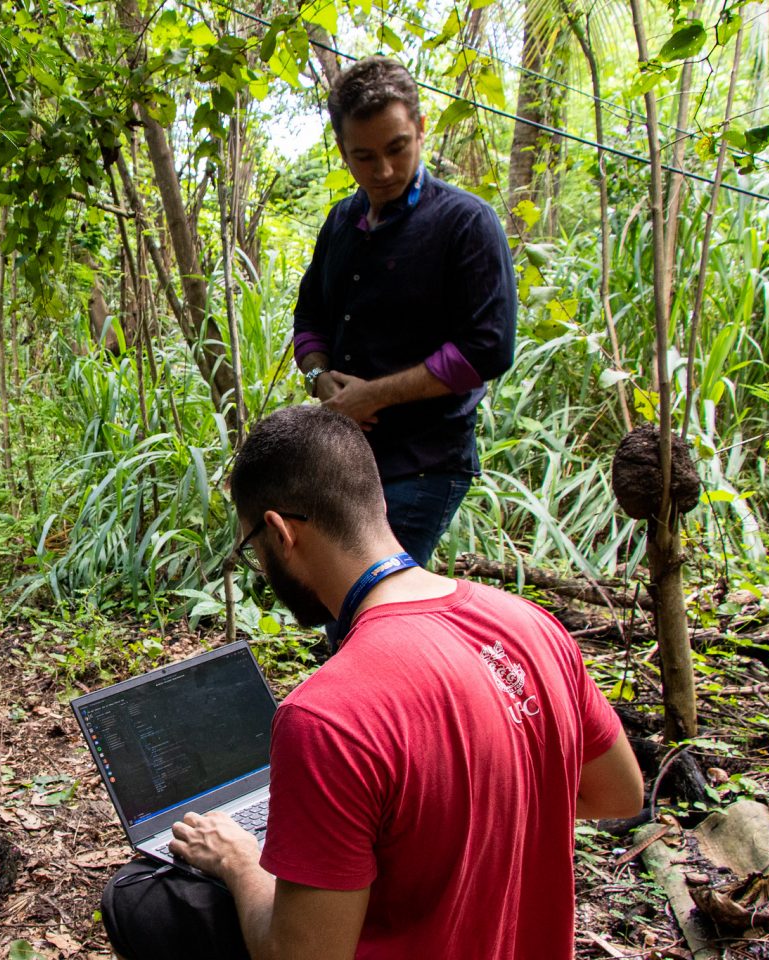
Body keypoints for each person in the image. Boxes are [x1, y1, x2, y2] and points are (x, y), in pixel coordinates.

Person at [100, 405, 643, 960]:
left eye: (251, 551)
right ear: (375, 503)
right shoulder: (533, 626)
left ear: (280, 533)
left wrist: (239, 860)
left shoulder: (327, 716)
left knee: (141, 904)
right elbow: (620, 793)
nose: (261, 567)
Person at [293, 56, 517, 568]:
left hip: (426, 461)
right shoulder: (342, 222)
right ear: (343, 153)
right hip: (348, 459)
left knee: (370, 597)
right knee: (346, 604)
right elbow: (309, 320)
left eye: (397, 148)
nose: (385, 170)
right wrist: (320, 377)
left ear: (420, 127)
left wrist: (374, 395)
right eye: (364, 157)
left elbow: (487, 348)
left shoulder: (465, 222)